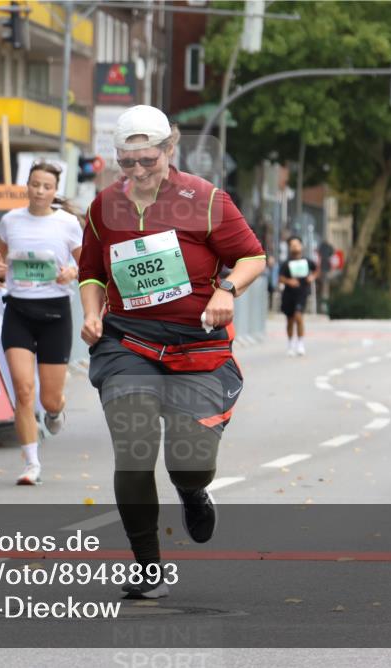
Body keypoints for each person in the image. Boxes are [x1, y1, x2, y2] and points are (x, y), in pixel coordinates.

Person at [78, 105, 266, 600]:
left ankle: (191, 489)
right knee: (133, 447)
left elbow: (252, 255)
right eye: (128, 162)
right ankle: (147, 567)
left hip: (196, 344)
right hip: (128, 341)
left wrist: (227, 290)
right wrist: (93, 313)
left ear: (169, 150)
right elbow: (92, 272)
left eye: (148, 160)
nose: (138, 172)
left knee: (189, 462)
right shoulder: (103, 207)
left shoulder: (205, 200)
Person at [0, 162, 82, 486]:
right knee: (24, 390)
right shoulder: (10, 221)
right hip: (19, 311)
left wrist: (73, 272)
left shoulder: (68, 224)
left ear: (55, 191)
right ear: (25, 186)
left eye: (47, 186)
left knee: (48, 399)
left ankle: (56, 412)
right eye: (34, 184)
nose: (40, 191)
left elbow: (87, 266)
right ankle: (31, 463)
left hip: (55, 313)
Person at [279, 236, 318, 356]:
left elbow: (316, 270)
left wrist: (312, 277)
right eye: (292, 245)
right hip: (289, 294)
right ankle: (290, 343)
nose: (295, 247)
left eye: (296, 244)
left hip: (302, 293)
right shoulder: (286, 263)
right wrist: (289, 281)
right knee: (290, 320)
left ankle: (300, 343)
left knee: (298, 316)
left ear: (301, 246)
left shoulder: (307, 261)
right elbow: (280, 278)